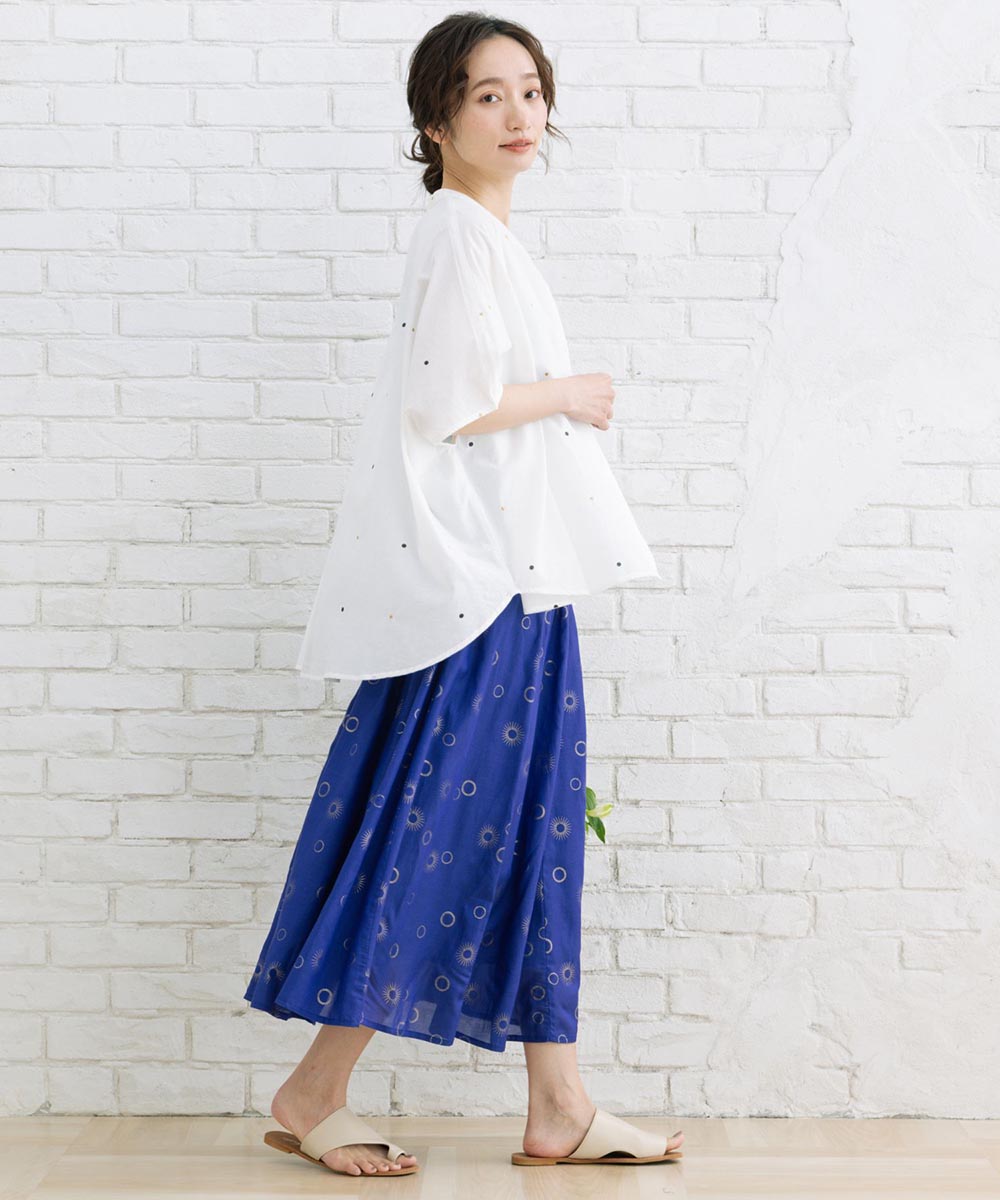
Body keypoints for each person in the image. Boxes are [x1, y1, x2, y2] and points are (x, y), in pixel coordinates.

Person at [243, 12, 685, 1179]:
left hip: (518, 579)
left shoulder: (487, 238)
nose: (519, 114)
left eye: (530, 91)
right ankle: (314, 1087)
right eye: (488, 95)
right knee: (433, 829)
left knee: (533, 830)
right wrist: (567, 393)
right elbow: (448, 406)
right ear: (435, 121)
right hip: (479, 589)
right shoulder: (455, 233)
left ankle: (559, 1106)